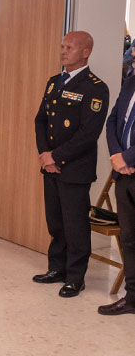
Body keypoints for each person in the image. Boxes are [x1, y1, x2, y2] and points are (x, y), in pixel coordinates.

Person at [32, 31, 109, 297]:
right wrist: (45, 154)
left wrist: (56, 156)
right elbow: (40, 120)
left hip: (74, 168)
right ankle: (57, 268)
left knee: (75, 224)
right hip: (50, 164)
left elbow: (89, 133)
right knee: (55, 221)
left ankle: (75, 276)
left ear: (85, 52)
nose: (63, 51)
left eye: (70, 47)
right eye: (62, 46)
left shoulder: (95, 87)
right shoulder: (55, 82)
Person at [100, 71, 135, 315]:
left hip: (128, 162)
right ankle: (132, 298)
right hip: (124, 174)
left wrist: (127, 157)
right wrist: (116, 155)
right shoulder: (131, 80)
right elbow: (113, 120)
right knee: (129, 239)